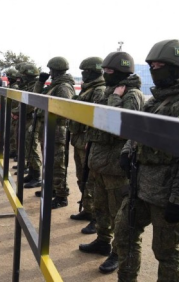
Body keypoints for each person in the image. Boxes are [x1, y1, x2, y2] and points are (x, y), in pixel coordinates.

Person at [114, 39, 179, 281]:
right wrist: (128, 149)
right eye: (152, 65)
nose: (154, 70)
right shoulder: (156, 100)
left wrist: (178, 199)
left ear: (177, 67)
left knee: (166, 251)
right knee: (123, 236)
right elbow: (139, 129)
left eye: (160, 65)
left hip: (167, 192)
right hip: (140, 186)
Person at [79, 52, 144, 274]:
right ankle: (102, 241)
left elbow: (122, 127)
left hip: (116, 166)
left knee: (119, 214)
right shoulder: (109, 91)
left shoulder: (131, 94)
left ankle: (117, 252)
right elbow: (97, 120)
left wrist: (116, 99)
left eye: (109, 71)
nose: (105, 75)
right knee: (101, 207)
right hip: (99, 160)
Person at [32, 57, 75, 209]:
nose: (49, 73)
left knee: (57, 164)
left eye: (51, 70)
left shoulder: (63, 87)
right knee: (48, 162)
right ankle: (51, 189)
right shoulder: (54, 85)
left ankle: (61, 196)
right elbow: (36, 99)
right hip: (49, 127)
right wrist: (40, 83)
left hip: (57, 129)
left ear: (56, 70)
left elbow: (65, 109)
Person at [68, 57, 106, 234]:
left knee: (90, 180)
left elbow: (96, 117)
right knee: (81, 176)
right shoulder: (87, 88)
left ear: (93, 72)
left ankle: (95, 218)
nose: (83, 74)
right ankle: (88, 209)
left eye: (85, 71)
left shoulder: (99, 90)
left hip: (87, 140)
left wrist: (90, 140)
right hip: (79, 139)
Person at [12, 62, 40, 183]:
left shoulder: (35, 87)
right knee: (25, 146)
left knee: (30, 147)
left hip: (31, 120)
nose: (20, 78)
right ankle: (31, 172)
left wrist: (15, 111)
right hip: (24, 119)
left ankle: (36, 175)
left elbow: (29, 106)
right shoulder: (27, 86)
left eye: (22, 75)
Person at [5, 67, 20, 159]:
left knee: (14, 134)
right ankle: (13, 150)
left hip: (15, 113)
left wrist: (14, 112)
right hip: (12, 112)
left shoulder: (15, 87)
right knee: (11, 133)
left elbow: (15, 101)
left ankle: (15, 151)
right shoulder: (11, 86)